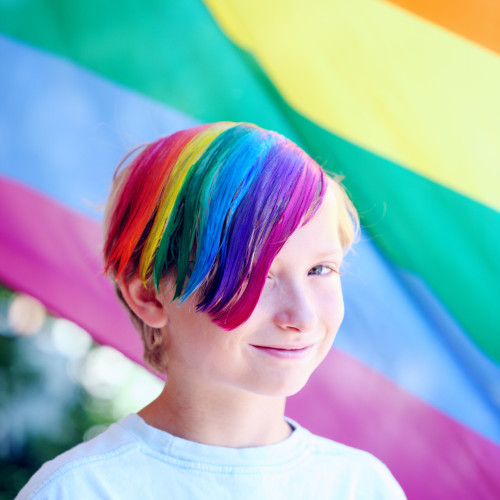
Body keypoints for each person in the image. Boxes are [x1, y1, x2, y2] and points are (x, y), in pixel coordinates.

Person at [17, 122, 406, 499]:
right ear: (150, 297)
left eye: (320, 269)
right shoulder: (77, 490)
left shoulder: (363, 486)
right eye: (252, 273)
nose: (302, 317)